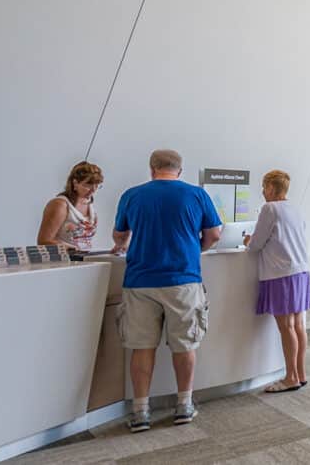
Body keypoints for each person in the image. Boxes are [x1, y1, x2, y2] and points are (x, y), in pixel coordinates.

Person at [111, 149, 222, 432]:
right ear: (180, 171)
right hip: (183, 279)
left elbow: (120, 236)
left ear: (152, 169)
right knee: (185, 344)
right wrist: (195, 249)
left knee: (142, 346)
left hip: (139, 281)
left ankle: (140, 412)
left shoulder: (132, 195)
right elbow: (215, 234)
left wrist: (124, 243)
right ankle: (184, 405)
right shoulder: (197, 195)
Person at [243, 169, 310, 393]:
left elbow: (256, 245)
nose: (262, 192)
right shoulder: (296, 208)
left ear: (272, 188)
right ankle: (300, 374)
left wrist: (247, 240)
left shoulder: (269, 208)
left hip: (281, 274)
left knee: (286, 327)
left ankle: (290, 377)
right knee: (298, 325)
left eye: (264, 188)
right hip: (300, 272)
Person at [37, 161, 102, 252]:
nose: (93, 190)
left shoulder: (90, 205)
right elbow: (44, 241)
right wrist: (71, 248)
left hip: (85, 260)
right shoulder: (60, 205)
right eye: (88, 185)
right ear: (75, 183)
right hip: (63, 261)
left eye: (97, 185)